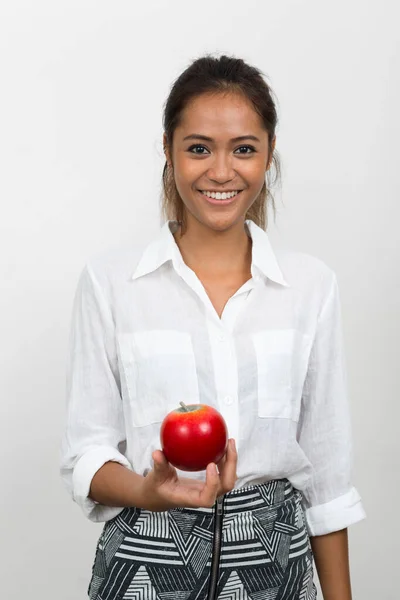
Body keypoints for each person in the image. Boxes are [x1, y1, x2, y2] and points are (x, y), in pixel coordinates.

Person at [60, 54, 366, 600]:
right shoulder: (110, 283)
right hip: (146, 559)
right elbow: (86, 452)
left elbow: (327, 477)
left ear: (269, 154)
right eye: (198, 147)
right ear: (168, 149)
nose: (221, 171)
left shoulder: (311, 286)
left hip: (277, 566)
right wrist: (147, 492)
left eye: (243, 149)